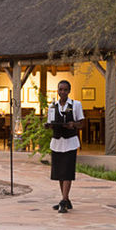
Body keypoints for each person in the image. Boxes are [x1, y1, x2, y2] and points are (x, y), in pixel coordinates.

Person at [46, 79, 85, 213]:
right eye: (60, 89)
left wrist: (73, 125)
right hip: (57, 143)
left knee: (67, 172)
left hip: (70, 142)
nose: (62, 92)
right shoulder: (52, 106)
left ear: (69, 91)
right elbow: (50, 122)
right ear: (57, 91)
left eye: (65, 90)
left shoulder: (75, 105)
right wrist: (49, 126)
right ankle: (66, 199)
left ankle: (63, 200)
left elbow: (82, 123)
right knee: (59, 173)